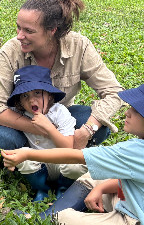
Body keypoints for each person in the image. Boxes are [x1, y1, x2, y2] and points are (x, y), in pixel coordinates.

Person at [1, 75, 144, 225]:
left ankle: (46, 220)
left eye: (137, 111)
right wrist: (101, 188)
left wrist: (27, 154)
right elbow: (139, 181)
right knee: (94, 178)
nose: (127, 112)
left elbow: (77, 156)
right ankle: (45, 217)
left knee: (64, 220)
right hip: (139, 204)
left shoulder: (139, 151)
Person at [0, 0, 123, 155]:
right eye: (18, 27)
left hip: (60, 117)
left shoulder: (79, 46)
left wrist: (87, 130)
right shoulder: (10, 52)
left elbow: (115, 92)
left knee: (99, 127)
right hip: (21, 120)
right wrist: (48, 131)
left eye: (29, 30)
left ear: (52, 30)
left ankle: (50, 157)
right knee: (2, 139)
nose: (19, 36)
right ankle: (42, 158)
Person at [6, 65, 87, 202]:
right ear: (19, 101)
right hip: (39, 163)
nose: (32, 100)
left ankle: (63, 188)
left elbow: (68, 147)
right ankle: (42, 189)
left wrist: (49, 128)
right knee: (22, 153)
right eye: (25, 96)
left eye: (37, 93)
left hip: (62, 162)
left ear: (49, 95)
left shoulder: (59, 112)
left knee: (79, 162)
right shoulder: (21, 115)